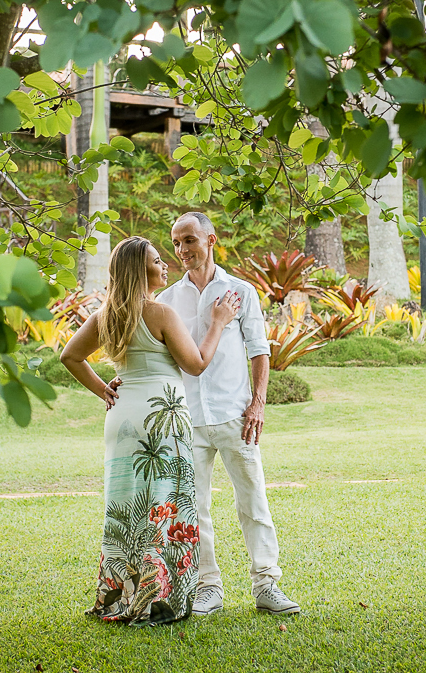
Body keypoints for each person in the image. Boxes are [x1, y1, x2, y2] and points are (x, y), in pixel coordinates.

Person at [60, 236, 240, 626]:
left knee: (127, 507)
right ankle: (159, 599)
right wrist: (219, 322)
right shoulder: (160, 313)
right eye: (158, 261)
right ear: (140, 271)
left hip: (123, 417)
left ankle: (119, 596)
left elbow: (70, 356)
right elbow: (196, 364)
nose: (165, 265)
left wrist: (103, 390)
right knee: (164, 504)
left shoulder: (106, 315)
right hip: (163, 418)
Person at [156, 212, 301, 616]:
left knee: (253, 502)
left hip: (236, 415)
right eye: (176, 242)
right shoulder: (167, 301)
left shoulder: (241, 291)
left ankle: (266, 584)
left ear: (211, 239)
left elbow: (259, 349)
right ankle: (208, 588)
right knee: (194, 508)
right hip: (187, 420)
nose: (182, 250)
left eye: (189, 240)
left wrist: (258, 404)